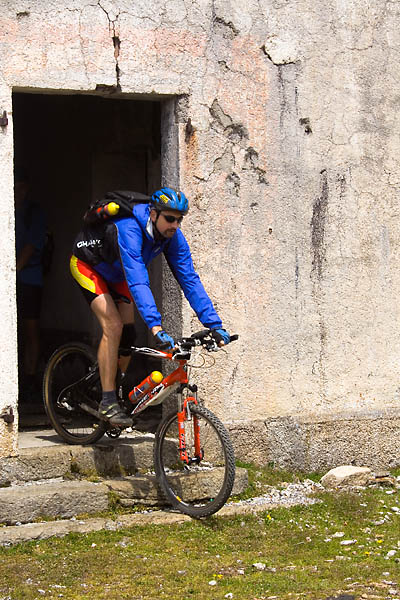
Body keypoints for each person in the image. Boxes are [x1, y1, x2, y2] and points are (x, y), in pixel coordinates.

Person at [70, 187, 231, 426]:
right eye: (170, 218)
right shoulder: (129, 228)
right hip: (88, 266)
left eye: (179, 220)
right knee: (113, 326)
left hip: (118, 275)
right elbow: (138, 280)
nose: (175, 225)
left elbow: (189, 279)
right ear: (154, 214)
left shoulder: (172, 237)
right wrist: (156, 327)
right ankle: (108, 400)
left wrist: (214, 324)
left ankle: (114, 383)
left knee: (128, 335)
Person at [14, 167, 47, 404]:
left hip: (29, 279)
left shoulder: (34, 213)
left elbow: (30, 246)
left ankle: (30, 378)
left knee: (30, 328)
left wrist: (12, 272)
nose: (18, 192)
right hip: (15, 278)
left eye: (21, 187)